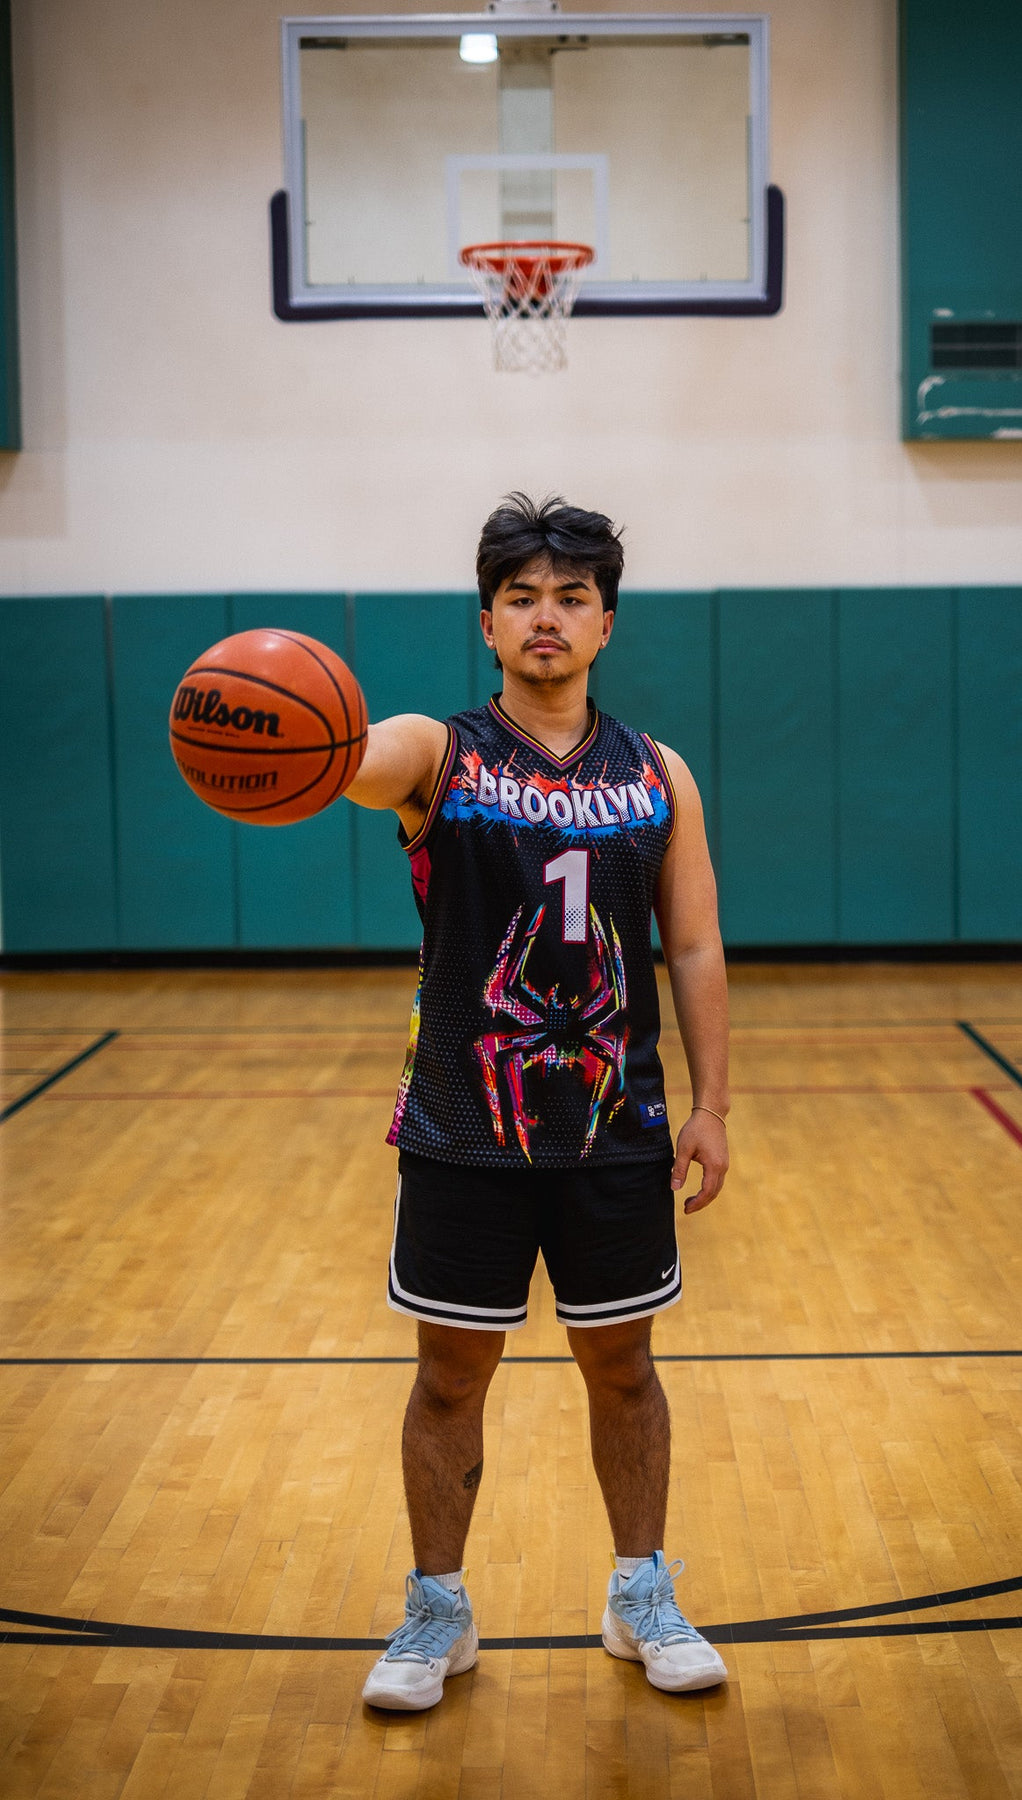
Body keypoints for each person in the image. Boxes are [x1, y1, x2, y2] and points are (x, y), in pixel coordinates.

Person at [344, 494, 730, 1711]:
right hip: (463, 1125)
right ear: (487, 623)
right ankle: (436, 1613)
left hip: (614, 1127)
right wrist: (311, 743)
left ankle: (639, 1595)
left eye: (570, 596)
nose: (544, 616)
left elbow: (694, 945)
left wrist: (712, 1105)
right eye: (520, 597)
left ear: (606, 622)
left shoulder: (656, 772)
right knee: (448, 1377)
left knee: (623, 1367)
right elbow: (359, 763)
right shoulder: (440, 753)